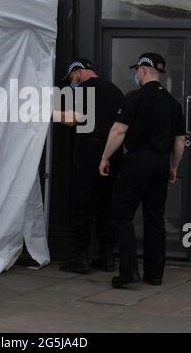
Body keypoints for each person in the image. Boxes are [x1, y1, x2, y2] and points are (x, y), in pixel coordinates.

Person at [99, 52, 186, 288]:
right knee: (155, 218)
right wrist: (173, 167)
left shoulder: (134, 98)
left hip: (138, 160)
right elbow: (179, 140)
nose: (136, 74)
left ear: (145, 70)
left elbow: (118, 131)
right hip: (160, 162)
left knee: (121, 213)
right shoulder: (173, 103)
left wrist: (105, 157)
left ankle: (129, 272)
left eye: (137, 70)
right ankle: (154, 274)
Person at [53, 58, 124, 273]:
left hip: (91, 150)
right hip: (114, 151)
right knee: (107, 204)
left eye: (72, 78)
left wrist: (48, 112)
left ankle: (79, 258)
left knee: (82, 203)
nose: (71, 83)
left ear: (80, 72)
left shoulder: (83, 89)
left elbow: (73, 119)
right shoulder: (115, 90)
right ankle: (107, 255)